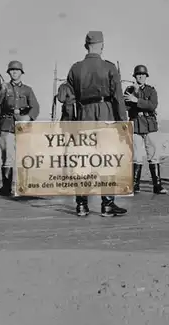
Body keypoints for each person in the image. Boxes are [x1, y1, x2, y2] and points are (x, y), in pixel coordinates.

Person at [66, 31, 128, 217]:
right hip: (105, 115)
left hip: (84, 117)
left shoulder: (75, 68)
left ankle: (81, 206)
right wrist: (123, 122)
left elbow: (69, 100)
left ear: (86, 46)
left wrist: (69, 125)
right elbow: (118, 98)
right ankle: (107, 205)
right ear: (101, 46)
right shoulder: (109, 67)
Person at [0, 60, 39, 196]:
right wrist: (1, 91)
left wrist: (27, 118)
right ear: (9, 73)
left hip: (23, 126)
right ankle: (6, 188)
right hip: (6, 125)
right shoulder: (4, 88)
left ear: (21, 73)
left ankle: (25, 186)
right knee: (7, 157)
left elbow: (35, 107)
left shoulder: (28, 90)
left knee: (25, 156)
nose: (14, 72)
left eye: (17, 70)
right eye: (12, 70)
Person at [124, 64, 167, 195]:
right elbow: (125, 107)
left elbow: (152, 105)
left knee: (153, 155)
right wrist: (134, 95)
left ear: (146, 76)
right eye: (138, 74)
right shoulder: (129, 90)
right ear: (135, 76)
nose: (140, 76)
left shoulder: (151, 90)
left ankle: (157, 185)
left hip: (149, 125)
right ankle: (135, 185)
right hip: (136, 124)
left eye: (143, 75)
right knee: (136, 155)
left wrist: (136, 100)